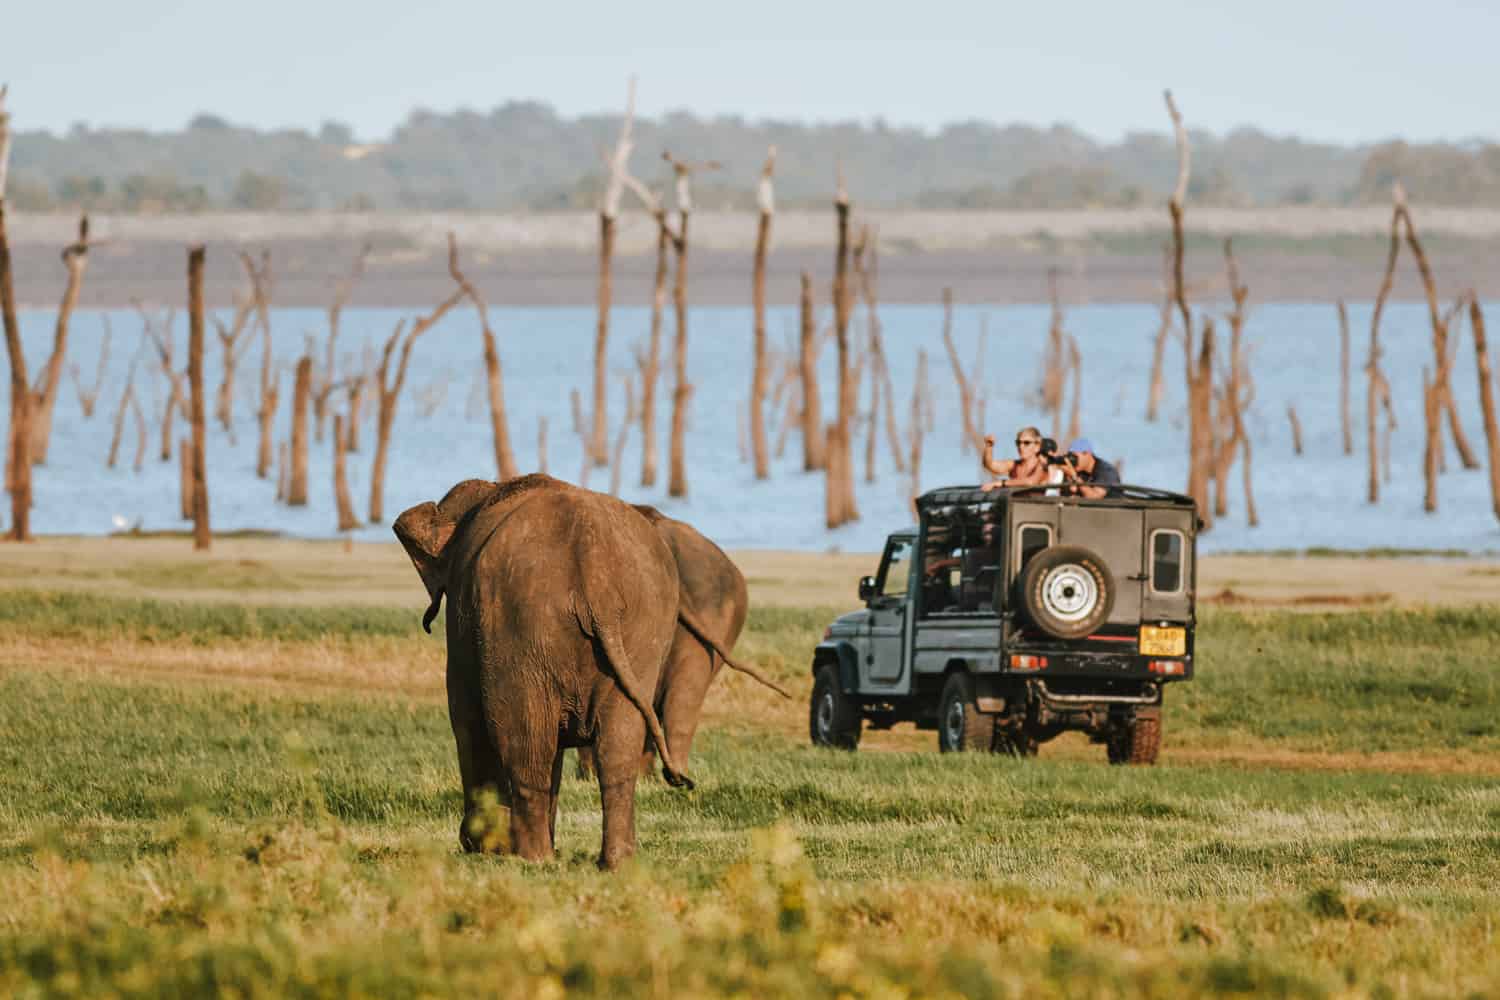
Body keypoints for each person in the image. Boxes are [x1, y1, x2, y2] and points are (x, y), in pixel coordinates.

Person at [979, 426, 1048, 490]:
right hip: (1014, 502)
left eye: (1026, 443)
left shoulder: (1043, 463)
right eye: (1018, 443)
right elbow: (990, 465)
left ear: (1037, 446)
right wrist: (989, 447)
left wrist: (1002, 483)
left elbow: (1031, 481)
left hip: (1035, 503)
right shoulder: (1014, 465)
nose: (1021, 447)